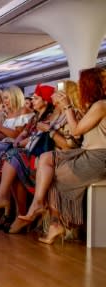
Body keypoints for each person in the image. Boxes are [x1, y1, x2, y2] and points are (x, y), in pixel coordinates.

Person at [16, 68, 106, 244]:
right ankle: (39, 204)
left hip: (98, 157)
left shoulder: (101, 105)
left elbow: (76, 131)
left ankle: (57, 223)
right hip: (88, 152)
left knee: (52, 176)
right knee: (46, 158)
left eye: (82, 84)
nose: (80, 87)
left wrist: (67, 107)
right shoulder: (97, 105)